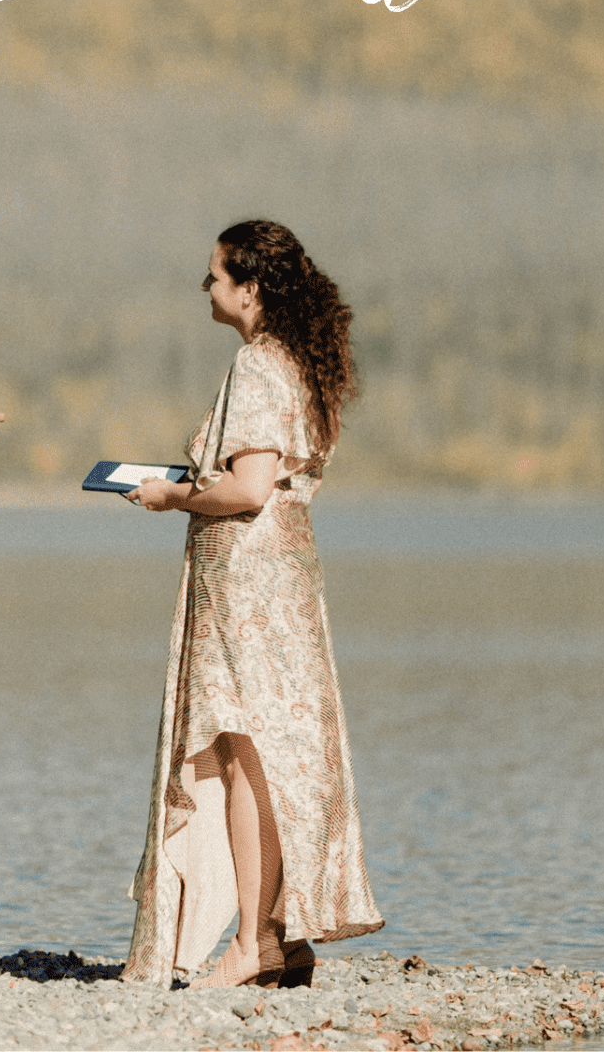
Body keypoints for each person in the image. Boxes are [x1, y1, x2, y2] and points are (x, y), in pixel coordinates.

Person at [120, 219, 384, 989]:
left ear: (251, 287)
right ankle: (279, 938)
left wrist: (172, 495)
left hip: (248, 579)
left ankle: (252, 942)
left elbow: (246, 488)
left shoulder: (259, 363)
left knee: (243, 755)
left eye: (214, 275)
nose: (205, 287)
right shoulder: (294, 361)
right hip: (279, 571)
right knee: (260, 753)